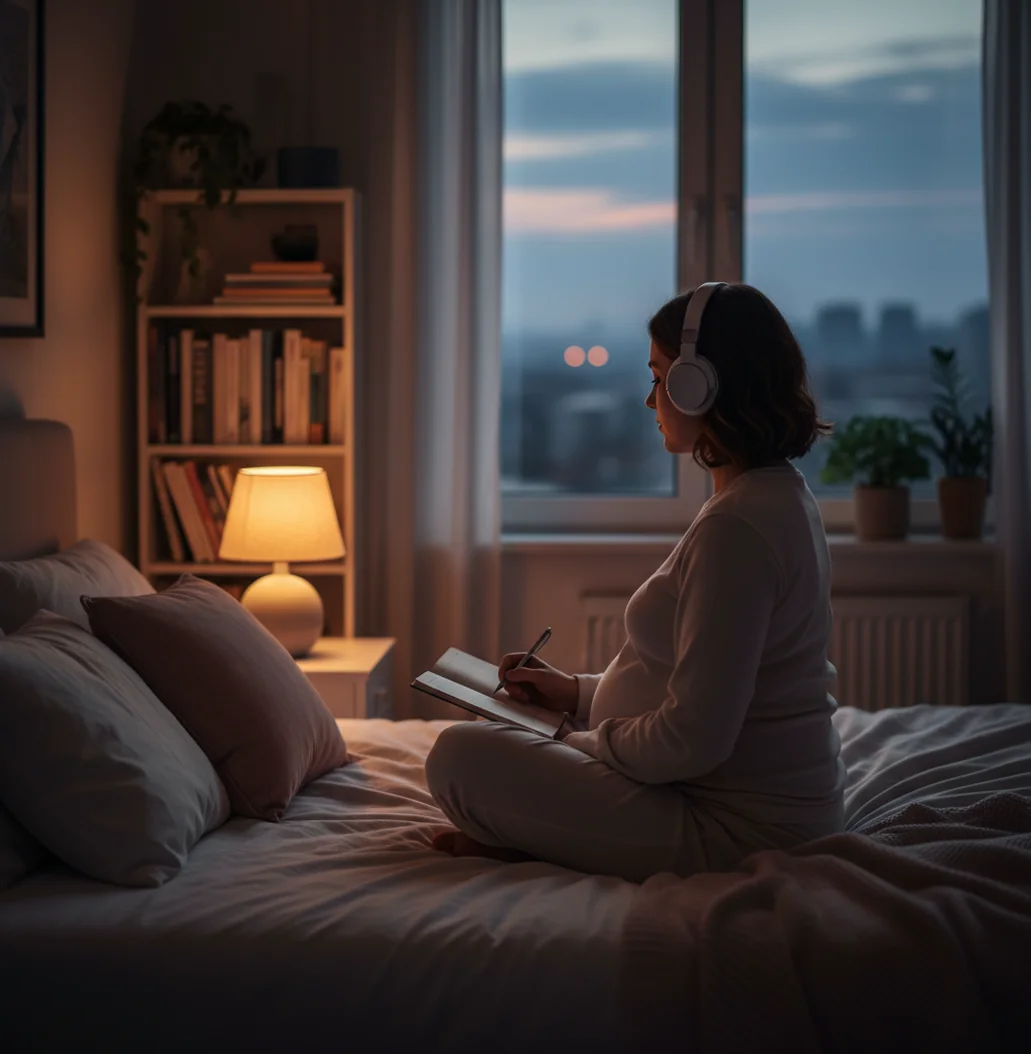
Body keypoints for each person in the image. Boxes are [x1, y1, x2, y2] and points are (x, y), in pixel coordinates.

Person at [425, 283, 847, 884]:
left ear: (698, 384)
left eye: (658, 378)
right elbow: (694, 684)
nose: (651, 401)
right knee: (483, 745)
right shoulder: (773, 497)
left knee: (458, 756)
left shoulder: (740, 529)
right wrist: (575, 695)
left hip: (734, 830)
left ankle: (535, 841)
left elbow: (692, 741)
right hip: (735, 803)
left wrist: (580, 743)